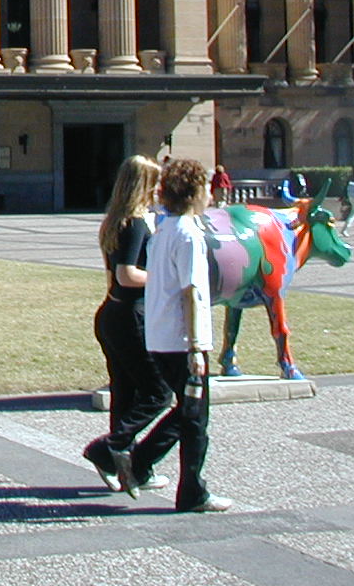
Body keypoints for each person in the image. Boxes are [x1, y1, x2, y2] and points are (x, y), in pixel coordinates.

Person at [119, 158, 228, 513]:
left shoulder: (163, 231)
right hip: (183, 341)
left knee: (187, 413)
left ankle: (140, 462)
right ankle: (191, 491)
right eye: (207, 187)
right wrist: (197, 347)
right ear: (195, 192)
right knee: (196, 420)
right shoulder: (190, 234)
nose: (211, 194)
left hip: (161, 337)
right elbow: (192, 291)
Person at [82, 155, 172, 494]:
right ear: (143, 186)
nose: (159, 190)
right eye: (155, 183)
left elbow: (111, 279)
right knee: (158, 392)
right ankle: (108, 449)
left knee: (125, 393)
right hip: (129, 315)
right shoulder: (135, 223)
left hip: (112, 313)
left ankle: (127, 468)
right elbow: (127, 274)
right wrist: (164, 278)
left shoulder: (113, 221)